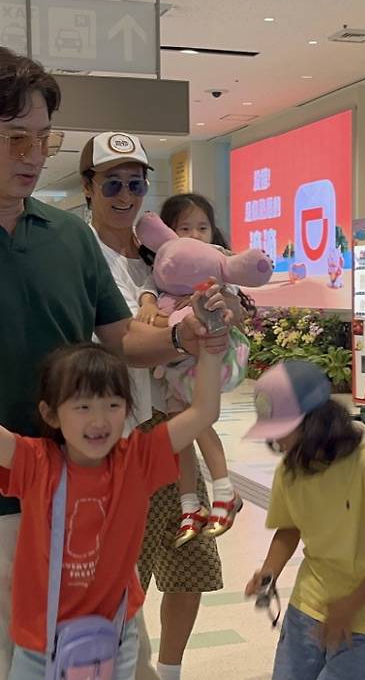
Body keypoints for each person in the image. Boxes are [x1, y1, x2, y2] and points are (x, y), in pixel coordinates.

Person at [0, 48, 227, 680]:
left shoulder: (69, 235)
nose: (33, 155)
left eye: (44, 138)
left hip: (89, 490)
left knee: (113, 656)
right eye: (15, 138)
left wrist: (188, 336)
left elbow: (122, 340)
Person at [0, 297, 226, 679]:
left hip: (115, 638)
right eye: (82, 407)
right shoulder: (36, 462)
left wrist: (212, 346)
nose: (99, 420)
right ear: (50, 414)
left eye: (112, 405)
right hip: (39, 644)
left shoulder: (137, 460)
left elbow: (204, 411)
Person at [80, 138, 226, 680]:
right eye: (112, 183)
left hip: (171, 427)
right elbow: (122, 339)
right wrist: (182, 329)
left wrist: (221, 310)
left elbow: (227, 305)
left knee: (191, 561)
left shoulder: (159, 255)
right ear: (88, 186)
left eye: (136, 183)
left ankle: (169, 670)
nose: (125, 195)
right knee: (122, 572)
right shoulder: (79, 255)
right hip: (112, 439)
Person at [244, 360, 365, 680]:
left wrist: (350, 606)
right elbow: (289, 527)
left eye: (282, 429)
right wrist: (269, 573)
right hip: (308, 604)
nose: (277, 441)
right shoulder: (291, 469)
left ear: (315, 421)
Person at [145, 193, 257, 547]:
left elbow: (236, 309)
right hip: (174, 368)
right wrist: (151, 304)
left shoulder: (217, 268)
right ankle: (189, 504)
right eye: (185, 228)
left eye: (202, 227)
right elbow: (148, 296)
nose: (195, 235)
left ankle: (224, 490)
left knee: (198, 421)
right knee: (180, 435)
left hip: (205, 362)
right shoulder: (162, 270)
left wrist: (216, 304)